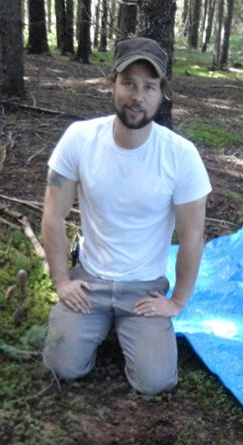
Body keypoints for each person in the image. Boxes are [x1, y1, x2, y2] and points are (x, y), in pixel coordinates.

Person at [42, 37, 212, 395]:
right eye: (129, 83)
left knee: (156, 382)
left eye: (149, 87)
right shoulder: (80, 138)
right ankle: (97, 324)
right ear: (112, 83)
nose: (138, 96)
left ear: (161, 93)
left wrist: (177, 301)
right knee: (62, 365)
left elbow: (193, 237)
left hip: (144, 288)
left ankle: (124, 327)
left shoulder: (180, 156)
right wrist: (61, 280)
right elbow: (53, 216)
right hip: (90, 279)